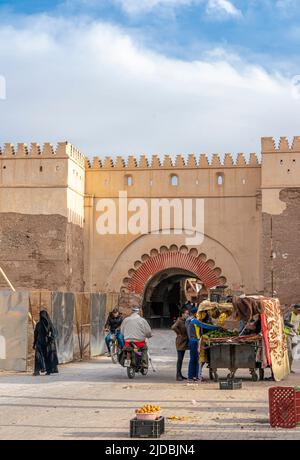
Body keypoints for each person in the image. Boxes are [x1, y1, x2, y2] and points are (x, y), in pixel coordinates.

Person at [186, 306, 219, 383]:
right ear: (195, 313)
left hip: (191, 341)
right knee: (198, 360)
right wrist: (217, 327)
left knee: (192, 359)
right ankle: (197, 377)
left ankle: (191, 377)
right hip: (195, 342)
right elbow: (205, 326)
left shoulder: (188, 320)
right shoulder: (194, 321)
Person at [33, 310, 59, 376]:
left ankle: (49, 370)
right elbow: (35, 334)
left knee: (48, 357)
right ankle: (37, 370)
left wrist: (51, 340)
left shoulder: (49, 325)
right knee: (38, 356)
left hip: (48, 344)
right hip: (40, 343)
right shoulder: (38, 324)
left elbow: (54, 334)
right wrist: (34, 343)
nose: (42, 317)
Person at [171, 306, 189, 381]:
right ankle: (178, 375)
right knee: (180, 359)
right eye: (186, 313)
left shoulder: (185, 320)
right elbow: (173, 327)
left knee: (181, 359)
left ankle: (180, 374)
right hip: (180, 342)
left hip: (184, 341)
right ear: (182, 314)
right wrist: (179, 333)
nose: (187, 315)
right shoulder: (179, 320)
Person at [284, 304, 300, 373]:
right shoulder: (289, 314)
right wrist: (292, 326)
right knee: (289, 351)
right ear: (294, 309)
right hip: (288, 334)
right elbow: (285, 322)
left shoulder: (299, 316)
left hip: (296, 336)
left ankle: (289, 369)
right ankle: (285, 368)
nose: (298, 311)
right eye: (298, 310)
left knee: (293, 352)